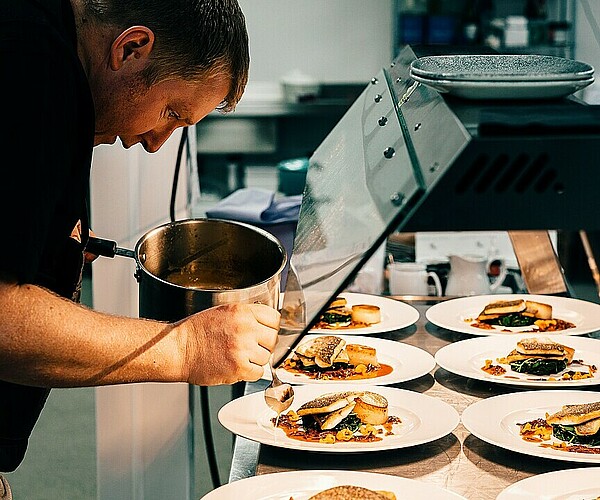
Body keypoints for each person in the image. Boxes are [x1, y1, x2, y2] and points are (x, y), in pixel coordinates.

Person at [0, 0, 280, 487]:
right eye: (171, 112)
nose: (155, 142)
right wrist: (186, 349)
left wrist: (48, 243)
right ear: (131, 47)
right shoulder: (32, 65)